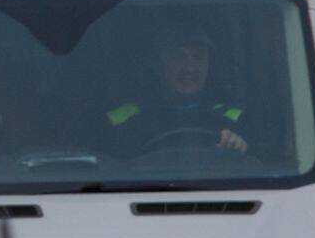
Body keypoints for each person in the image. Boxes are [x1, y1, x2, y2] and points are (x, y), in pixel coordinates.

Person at [104, 27, 249, 156]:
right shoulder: (119, 122)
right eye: (179, 56)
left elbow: (263, 165)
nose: (190, 68)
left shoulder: (235, 120)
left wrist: (240, 148)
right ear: (157, 64)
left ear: (209, 65)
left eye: (198, 57)